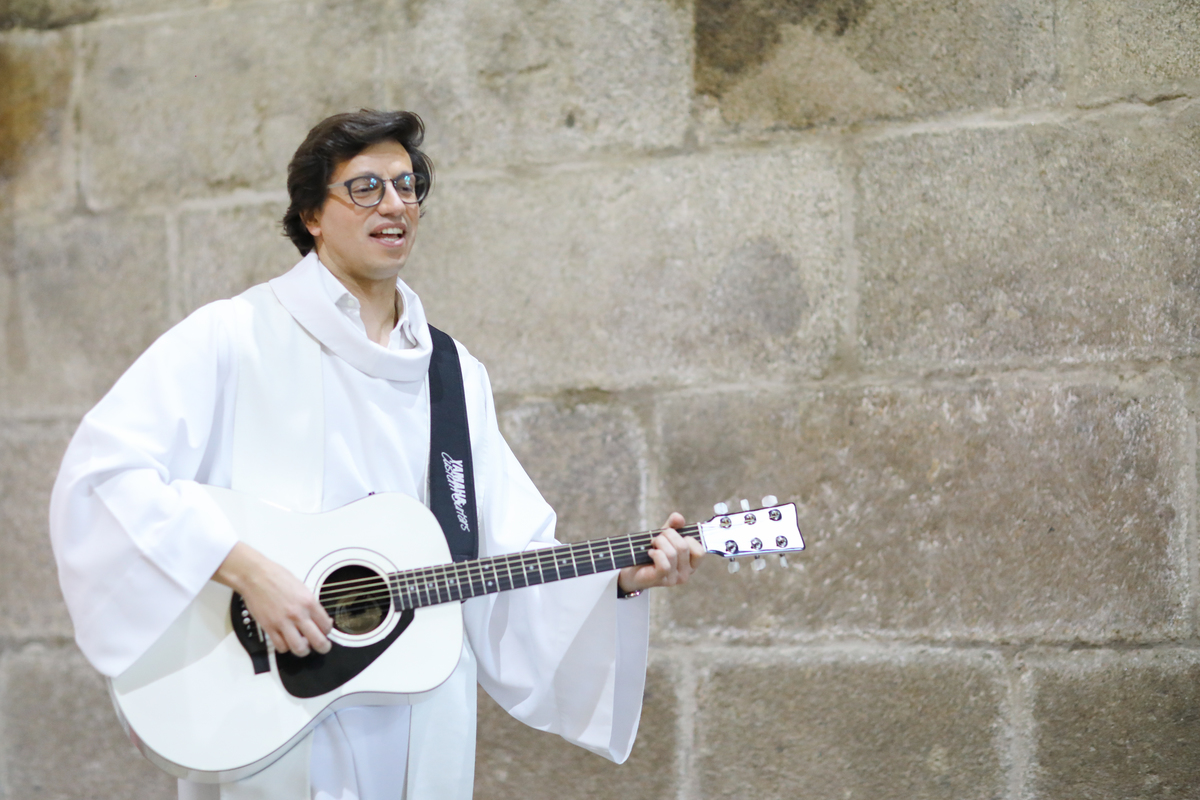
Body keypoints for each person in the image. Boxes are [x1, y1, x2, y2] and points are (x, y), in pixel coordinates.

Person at [48, 109, 704, 800]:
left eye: (407, 184)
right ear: (311, 214)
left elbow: (503, 556)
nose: (394, 204)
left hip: (419, 717)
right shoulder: (234, 336)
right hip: (268, 700)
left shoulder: (451, 375)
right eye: (365, 188)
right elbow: (103, 478)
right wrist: (244, 569)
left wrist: (618, 582)